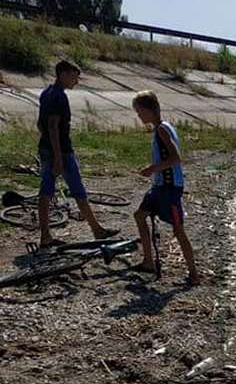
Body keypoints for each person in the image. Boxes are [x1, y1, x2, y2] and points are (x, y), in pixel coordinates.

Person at [37, 60, 118, 247]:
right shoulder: (58, 96)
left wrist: (47, 144)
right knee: (76, 189)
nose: (76, 81)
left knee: (46, 191)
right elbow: (52, 126)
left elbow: (41, 125)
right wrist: (57, 155)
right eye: (74, 76)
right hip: (61, 151)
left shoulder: (46, 93)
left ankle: (46, 236)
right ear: (63, 74)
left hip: (47, 148)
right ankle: (96, 230)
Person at [131, 90, 199, 285]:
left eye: (139, 111)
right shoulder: (164, 127)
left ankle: (194, 274)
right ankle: (148, 261)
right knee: (139, 215)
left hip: (169, 189)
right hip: (160, 186)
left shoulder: (162, 129)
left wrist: (152, 168)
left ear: (149, 109)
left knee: (178, 230)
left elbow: (176, 157)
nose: (139, 116)